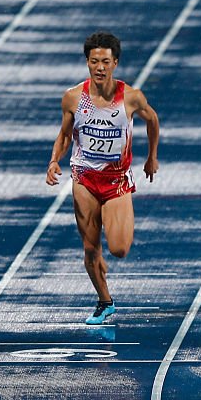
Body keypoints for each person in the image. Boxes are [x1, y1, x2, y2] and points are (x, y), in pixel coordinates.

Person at [46, 31, 160, 324]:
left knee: (119, 249)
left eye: (105, 62)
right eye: (94, 61)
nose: (99, 67)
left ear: (115, 63)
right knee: (89, 247)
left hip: (117, 181)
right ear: (87, 62)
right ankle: (105, 300)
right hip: (84, 178)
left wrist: (151, 157)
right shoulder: (73, 97)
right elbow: (64, 135)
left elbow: (153, 120)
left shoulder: (131, 98)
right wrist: (53, 161)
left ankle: (102, 261)